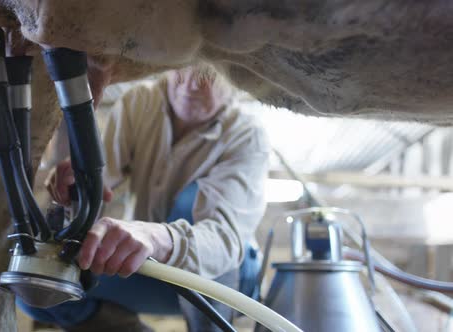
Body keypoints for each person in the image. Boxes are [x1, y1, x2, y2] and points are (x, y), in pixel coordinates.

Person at [20, 64, 270, 332]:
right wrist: (79, 181)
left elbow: (223, 240)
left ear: (234, 77)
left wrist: (153, 236)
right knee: (41, 283)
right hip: (157, 270)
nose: (189, 85)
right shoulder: (138, 102)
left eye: (207, 78)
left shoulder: (247, 134)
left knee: (191, 201)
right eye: (182, 70)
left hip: (225, 279)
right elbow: (103, 171)